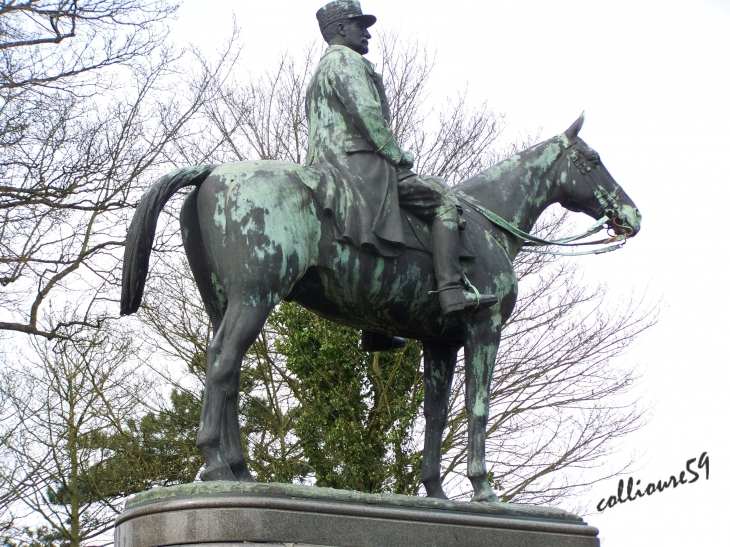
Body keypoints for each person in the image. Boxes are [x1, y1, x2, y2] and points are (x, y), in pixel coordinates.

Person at [297, 1, 496, 350]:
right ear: (341, 29)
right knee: (444, 204)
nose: (367, 31)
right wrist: (395, 154)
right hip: (357, 164)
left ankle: (374, 327)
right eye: (360, 25)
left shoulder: (319, 72)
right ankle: (451, 293)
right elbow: (366, 111)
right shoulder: (346, 61)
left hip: (325, 162)